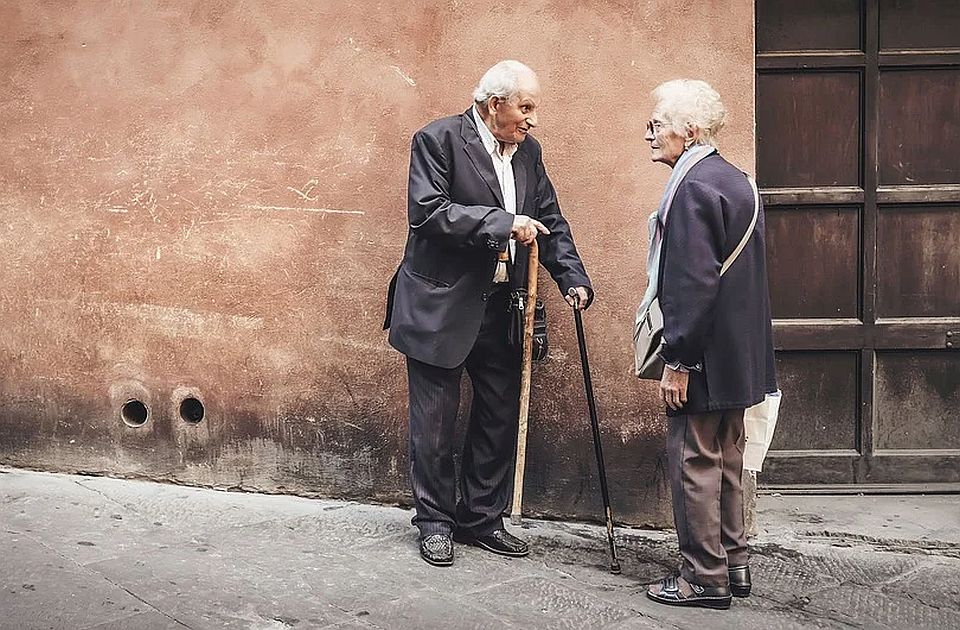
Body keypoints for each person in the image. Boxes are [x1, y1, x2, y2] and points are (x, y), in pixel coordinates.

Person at [384, 60, 593, 567]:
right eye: (526, 107)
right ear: (494, 103)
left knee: (498, 418)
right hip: (440, 305)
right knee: (433, 424)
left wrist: (573, 278)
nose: (533, 119)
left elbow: (548, 218)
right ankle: (434, 522)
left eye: (533, 108)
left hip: (503, 307)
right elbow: (429, 212)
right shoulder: (437, 140)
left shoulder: (529, 153)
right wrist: (502, 223)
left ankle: (482, 518)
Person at [638, 79, 777, 609]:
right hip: (738, 355)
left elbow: (693, 283)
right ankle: (734, 564)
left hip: (703, 356)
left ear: (689, 130)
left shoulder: (692, 186)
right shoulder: (736, 179)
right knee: (728, 458)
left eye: (658, 124)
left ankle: (703, 577)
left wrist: (679, 361)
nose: (649, 133)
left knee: (695, 460)